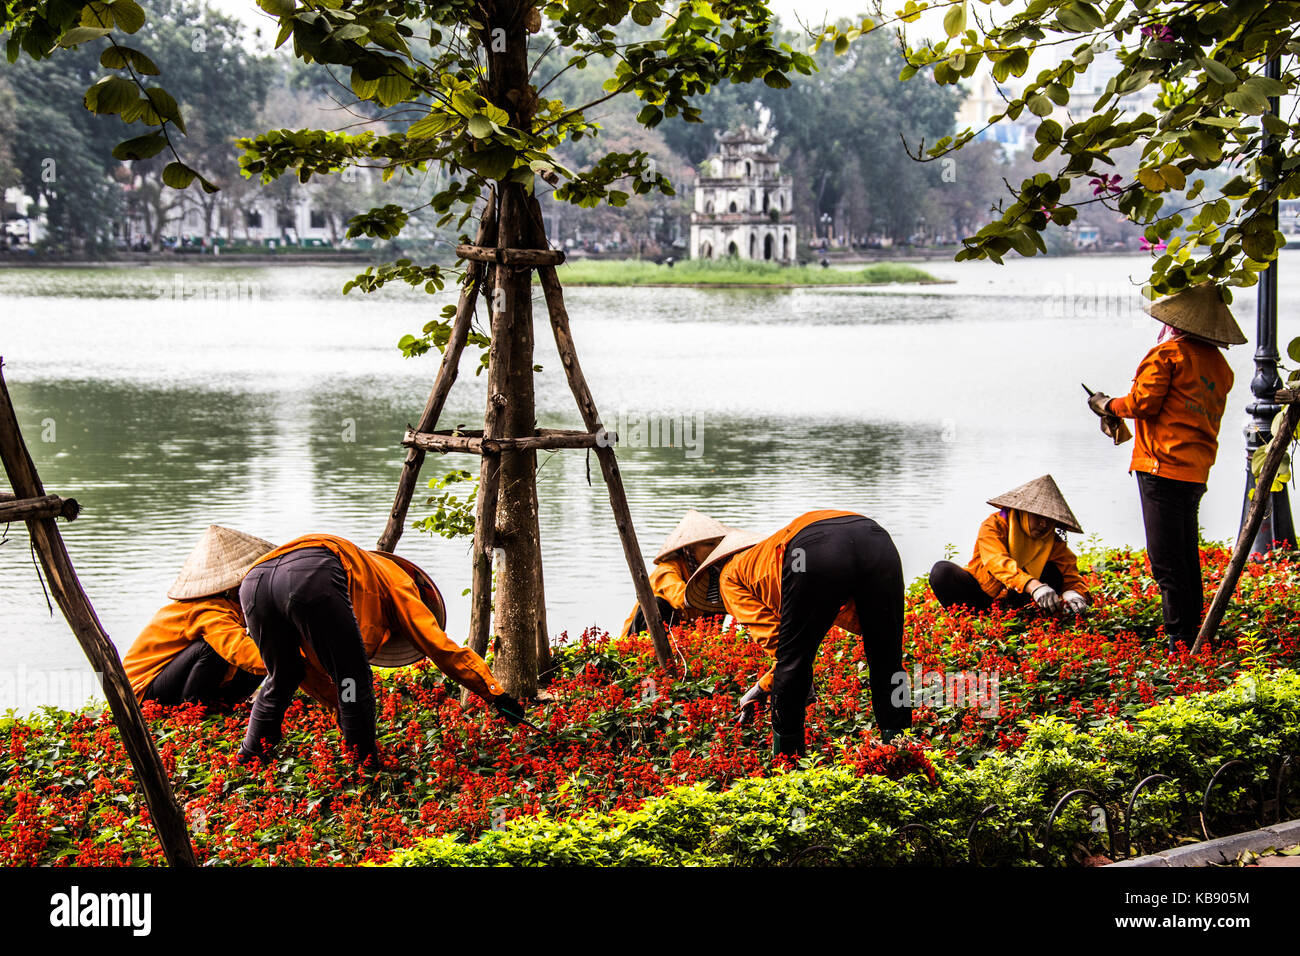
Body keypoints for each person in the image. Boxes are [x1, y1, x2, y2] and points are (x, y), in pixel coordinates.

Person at [236, 533, 526, 766]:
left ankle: (250, 756)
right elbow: (438, 646)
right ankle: (364, 764)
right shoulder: (399, 581)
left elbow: (314, 675)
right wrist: (493, 693)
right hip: (310, 574)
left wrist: (343, 706)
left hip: (254, 582)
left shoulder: (364, 574)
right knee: (353, 676)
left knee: (284, 674)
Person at [1087, 282, 1243, 652]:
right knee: (1185, 555)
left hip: (1160, 468)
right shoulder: (1219, 366)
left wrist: (1106, 404)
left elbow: (1142, 404)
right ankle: (1195, 634)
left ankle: (1180, 641)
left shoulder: (1168, 354)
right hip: (1195, 470)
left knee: (1166, 561)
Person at [685, 511, 912, 756]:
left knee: (792, 665)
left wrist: (765, 686)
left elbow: (780, 648)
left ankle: (788, 764)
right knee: (888, 659)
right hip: (876, 539)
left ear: (713, 571)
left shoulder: (729, 577)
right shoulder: (766, 552)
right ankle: (901, 753)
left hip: (813, 550)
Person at [123, 526, 273, 710]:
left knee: (263, 642)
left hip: (172, 681)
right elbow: (237, 649)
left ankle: (223, 703)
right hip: (142, 692)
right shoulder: (205, 610)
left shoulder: (230, 607)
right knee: (210, 648)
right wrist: (292, 663)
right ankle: (193, 707)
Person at [928, 475, 1090, 616]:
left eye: (1050, 520)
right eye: (1038, 517)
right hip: (983, 593)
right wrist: (1033, 586)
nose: (1043, 524)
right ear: (1024, 511)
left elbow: (1070, 575)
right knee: (942, 571)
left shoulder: (1053, 541)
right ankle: (967, 619)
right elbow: (996, 561)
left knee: (1053, 572)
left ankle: (1021, 615)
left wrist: (1073, 594)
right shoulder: (994, 525)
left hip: (1018, 601)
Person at [620, 510, 729, 637]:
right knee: (659, 604)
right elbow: (681, 598)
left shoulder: (709, 571)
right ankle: (648, 650)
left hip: (684, 634)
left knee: (716, 602)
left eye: (719, 542)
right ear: (690, 547)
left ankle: (709, 645)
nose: (716, 548)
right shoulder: (667, 568)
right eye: (710, 544)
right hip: (642, 634)